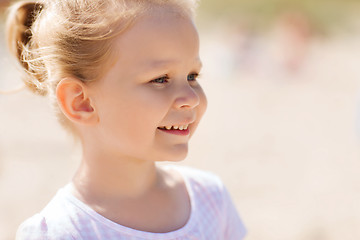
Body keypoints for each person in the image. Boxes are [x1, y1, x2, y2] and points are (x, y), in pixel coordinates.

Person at [7, 0, 247, 239]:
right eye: (161, 79)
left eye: (192, 76)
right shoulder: (61, 231)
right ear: (82, 102)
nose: (191, 98)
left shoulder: (211, 200)